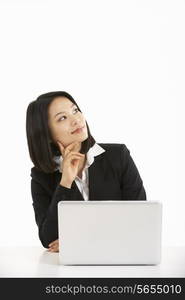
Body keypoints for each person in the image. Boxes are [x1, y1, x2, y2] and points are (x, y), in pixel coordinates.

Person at [26, 91, 147, 252]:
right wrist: (65, 182)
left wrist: (80, 241)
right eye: (62, 118)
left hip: (119, 260)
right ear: (46, 134)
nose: (76, 120)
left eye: (75, 110)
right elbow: (49, 239)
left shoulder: (118, 156)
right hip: (68, 271)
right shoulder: (41, 177)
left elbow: (141, 221)